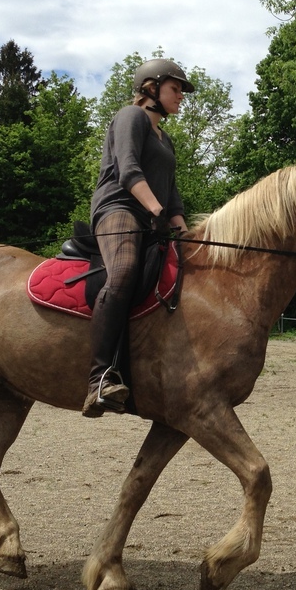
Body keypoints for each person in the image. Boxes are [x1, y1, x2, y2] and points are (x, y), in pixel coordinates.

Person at [82, 58, 193, 417]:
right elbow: (128, 171)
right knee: (126, 269)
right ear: (151, 87)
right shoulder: (130, 118)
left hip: (151, 219)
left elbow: (172, 194)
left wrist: (184, 233)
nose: (181, 96)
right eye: (175, 88)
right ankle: (99, 378)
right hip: (118, 209)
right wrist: (156, 211)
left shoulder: (167, 139)